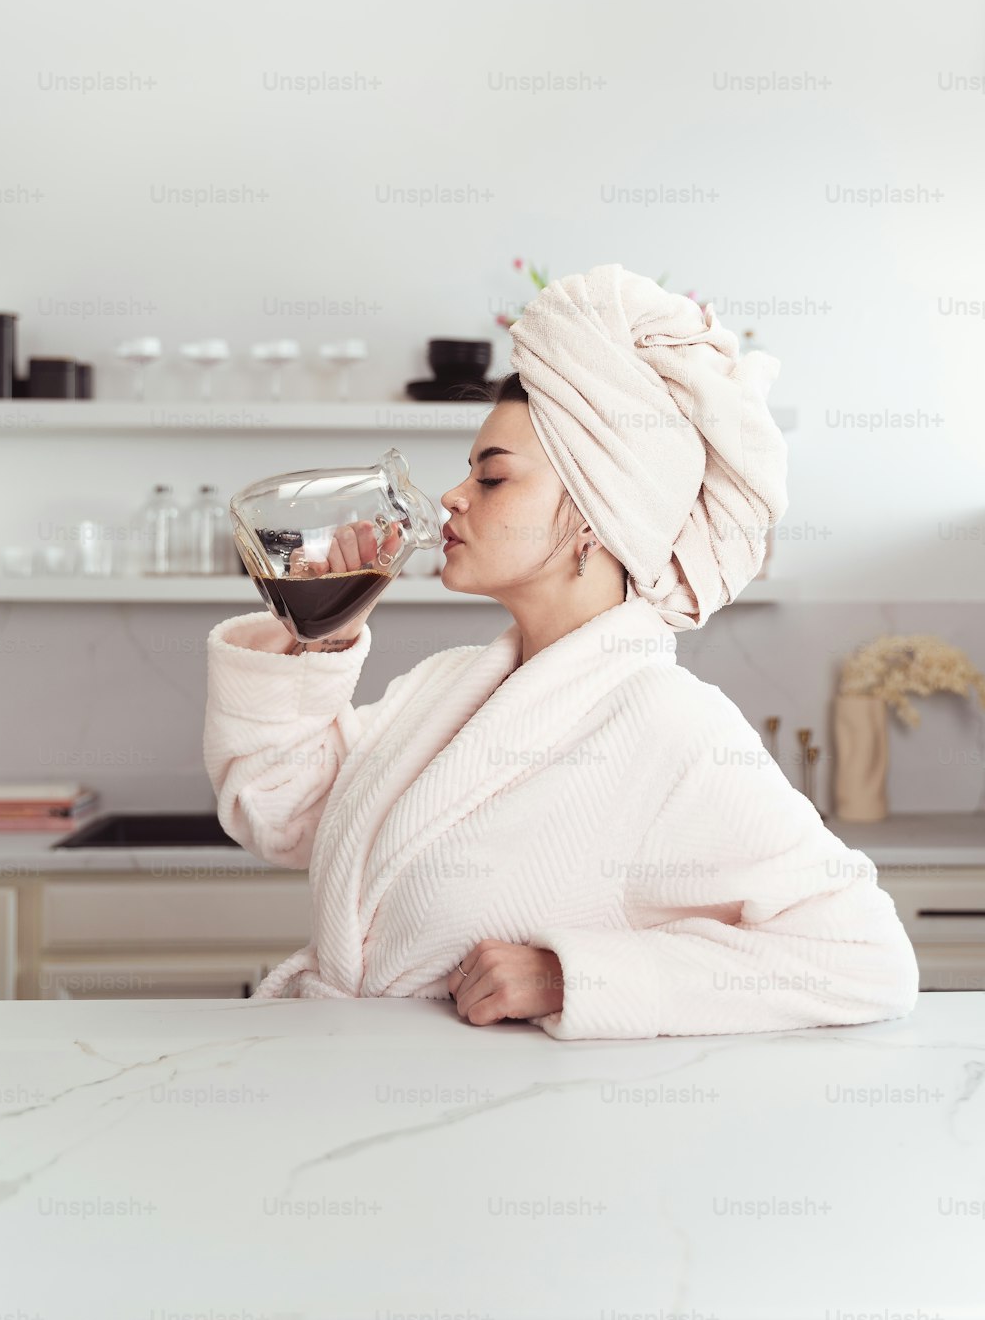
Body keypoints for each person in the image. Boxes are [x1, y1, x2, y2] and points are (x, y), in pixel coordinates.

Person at [202, 263, 919, 1039]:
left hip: (503, 1124)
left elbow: (865, 956)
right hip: (362, 1091)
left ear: (591, 516)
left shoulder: (668, 726)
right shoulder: (445, 688)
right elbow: (281, 819)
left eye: (493, 477)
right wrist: (322, 635)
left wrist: (571, 977)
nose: (451, 496)